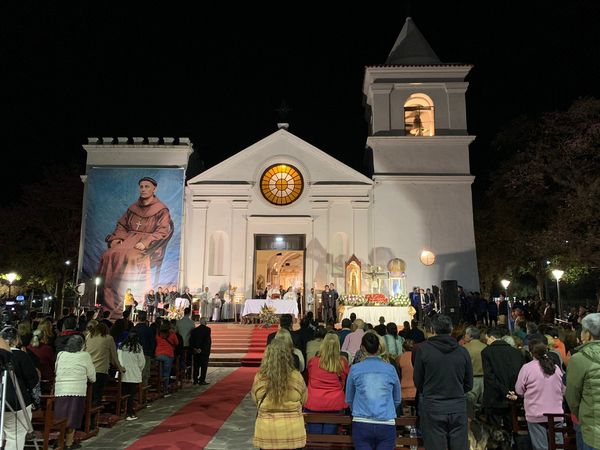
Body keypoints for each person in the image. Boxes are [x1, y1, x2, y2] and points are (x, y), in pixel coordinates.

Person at [98, 176, 173, 319]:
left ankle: (121, 303)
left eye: (147, 187)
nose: (143, 189)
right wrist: (118, 238)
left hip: (147, 242)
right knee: (108, 254)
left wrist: (146, 241)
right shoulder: (133, 208)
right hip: (129, 239)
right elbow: (122, 225)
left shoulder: (161, 209)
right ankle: (108, 300)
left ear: (154, 189)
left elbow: (163, 230)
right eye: (141, 186)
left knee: (130, 257)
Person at [413, 314, 472, 450]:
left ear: (433, 329)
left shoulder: (423, 350)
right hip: (457, 406)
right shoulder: (462, 352)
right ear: (451, 329)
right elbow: (468, 383)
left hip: (433, 405)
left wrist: (430, 391)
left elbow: (418, 381)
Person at [251, 331, 307, 449]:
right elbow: (304, 400)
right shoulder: (296, 376)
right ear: (288, 357)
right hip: (293, 433)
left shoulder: (260, 378)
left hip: (267, 433)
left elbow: (256, 400)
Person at [346, 332, 401, 450]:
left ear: (362, 348)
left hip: (361, 421)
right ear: (379, 347)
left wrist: (357, 409)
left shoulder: (355, 369)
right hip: (386, 422)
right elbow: (397, 398)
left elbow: (349, 398)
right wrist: (387, 408)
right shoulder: (390, 368)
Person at [514, 342, 565, 450]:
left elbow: (519, 390)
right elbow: (562, 389)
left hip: (535, 413)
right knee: (558, 446)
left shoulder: (527, 368)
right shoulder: (555, 367)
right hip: (556, 413)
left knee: (541, 447)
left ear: (531, 353)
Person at [54, 334, 96, 449]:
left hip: (61, 389)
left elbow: (56, 369)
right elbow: (92, 376)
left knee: (60, 416)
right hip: (77, 389)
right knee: (73, 417)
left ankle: (59, 441)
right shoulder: (85, 355)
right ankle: (68, 443)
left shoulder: (61, 354)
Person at [566, 313, 600, 450]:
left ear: (588, 334)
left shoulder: (579, 359)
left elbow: (572, 397)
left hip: (593, 433)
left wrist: (581, 415)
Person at [1, 326, 39, 450]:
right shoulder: (21, 356)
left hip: (4, 399)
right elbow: (32, 380)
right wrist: (35, 400)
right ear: (16, 340)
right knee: (15, 436)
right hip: (16, 400)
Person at [304, 332, 349, 434]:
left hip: (314, 402)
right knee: (331, 440)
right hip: (335, 403)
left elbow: (310, 377)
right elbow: (345, 380)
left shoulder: (313, 361)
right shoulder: (342, 362)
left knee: (314, 439)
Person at [481, 327, 524, 429]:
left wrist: (504, 391)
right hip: (513, 397)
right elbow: (520, 374)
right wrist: (512, 392)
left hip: (494, 396)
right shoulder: (516, 352)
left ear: (491, 337)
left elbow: (489, 376)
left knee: (494, 430)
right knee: (511, 426)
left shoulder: (487, 352)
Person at [86, 321, 125, 406]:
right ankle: (94, 416)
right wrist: (120, 368)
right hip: (100, 371)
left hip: (87, 370)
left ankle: (87, 415)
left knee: (89, 395)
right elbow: (114, 357)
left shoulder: (89, 336)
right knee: (97, 395)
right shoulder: (108, 338)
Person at [117, 330, 146, 421]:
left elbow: (119, 359)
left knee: (124, 393)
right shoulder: (138, 347)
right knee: (131, 395)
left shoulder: (121, 346)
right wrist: (139, 369)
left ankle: (122, 410)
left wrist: (122, 368)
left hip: (123, 374)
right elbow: (142, 362)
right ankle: (129, 413)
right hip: (134, 374)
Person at [462, 326, 487, 418]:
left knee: (470, 407)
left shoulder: (464, 348)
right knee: (482, 407)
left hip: (471, 380)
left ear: (470, 335)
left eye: (466, 334)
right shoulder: (485, 347)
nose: (464, 336)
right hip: (485, 380)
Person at [155, 323, 179, 394]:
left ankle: (159, 386)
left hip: (158, 354)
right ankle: (165, 388)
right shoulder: (172, 334)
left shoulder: (158, 335)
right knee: (166, 373)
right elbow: (176, 343)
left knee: (159, 372)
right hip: (168, 354)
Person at [189, 317, 211, 385]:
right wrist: (202, 349)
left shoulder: (194, 330)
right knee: (204, 366)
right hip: (203, 351)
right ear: (205, 322)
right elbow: (206, 341)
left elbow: (191, 340)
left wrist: (195, 348)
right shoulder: (207, 329)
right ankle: (202, 380)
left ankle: (195, 379)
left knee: (196, 365)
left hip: (196, 351)